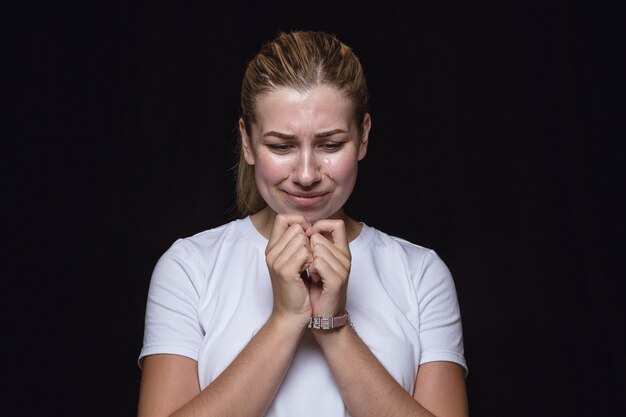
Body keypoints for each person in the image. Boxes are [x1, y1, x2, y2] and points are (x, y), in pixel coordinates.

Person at [137, 30, 468, 417]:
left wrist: (333, 326)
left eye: (330, 145)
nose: (307, 173)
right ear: (247, 141)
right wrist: (286, 318)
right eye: (281, 146)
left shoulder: (420, 273)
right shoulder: (188, 267)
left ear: (363, 137)